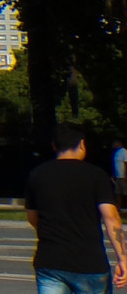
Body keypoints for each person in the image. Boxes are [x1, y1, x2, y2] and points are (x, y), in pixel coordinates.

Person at [27, 123, 127, 293]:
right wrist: (122, 259)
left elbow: (32, 217)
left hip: (50, 260)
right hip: (89, 262)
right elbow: (111, 217)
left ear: (54, 146)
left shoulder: (37, 174)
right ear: (82, 144)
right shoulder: (96, 175)